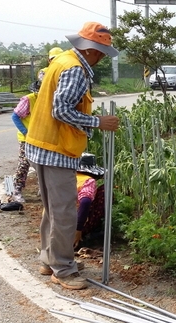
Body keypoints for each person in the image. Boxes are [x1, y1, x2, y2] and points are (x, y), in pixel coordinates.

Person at [25, 22, 119, 290]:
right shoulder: (75, 70)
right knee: (65, 212)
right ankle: (64, 269)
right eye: (100, 51)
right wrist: (97, 121)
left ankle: (49, 259)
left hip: (42, 145)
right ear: (89, 49)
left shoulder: (62, 61)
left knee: (53, 210)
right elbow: (61, 110)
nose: (101, 57)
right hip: (56, 150)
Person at [10, 47, 63, 203]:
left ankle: (43, 189)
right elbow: (15, 116)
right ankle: (17, 190)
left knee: (44, 163)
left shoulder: (54, 92)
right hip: (28, 138)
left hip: (43, 137)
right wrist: (26, 132)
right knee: (24, 164)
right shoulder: (30, 99)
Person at [73, 152, 106, 250]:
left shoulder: (66, 176)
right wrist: (78, 229)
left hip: (54, 225)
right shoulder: (88, 181)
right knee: (105, 191)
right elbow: (85, 202)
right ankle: (86, 234)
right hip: (72, 226)